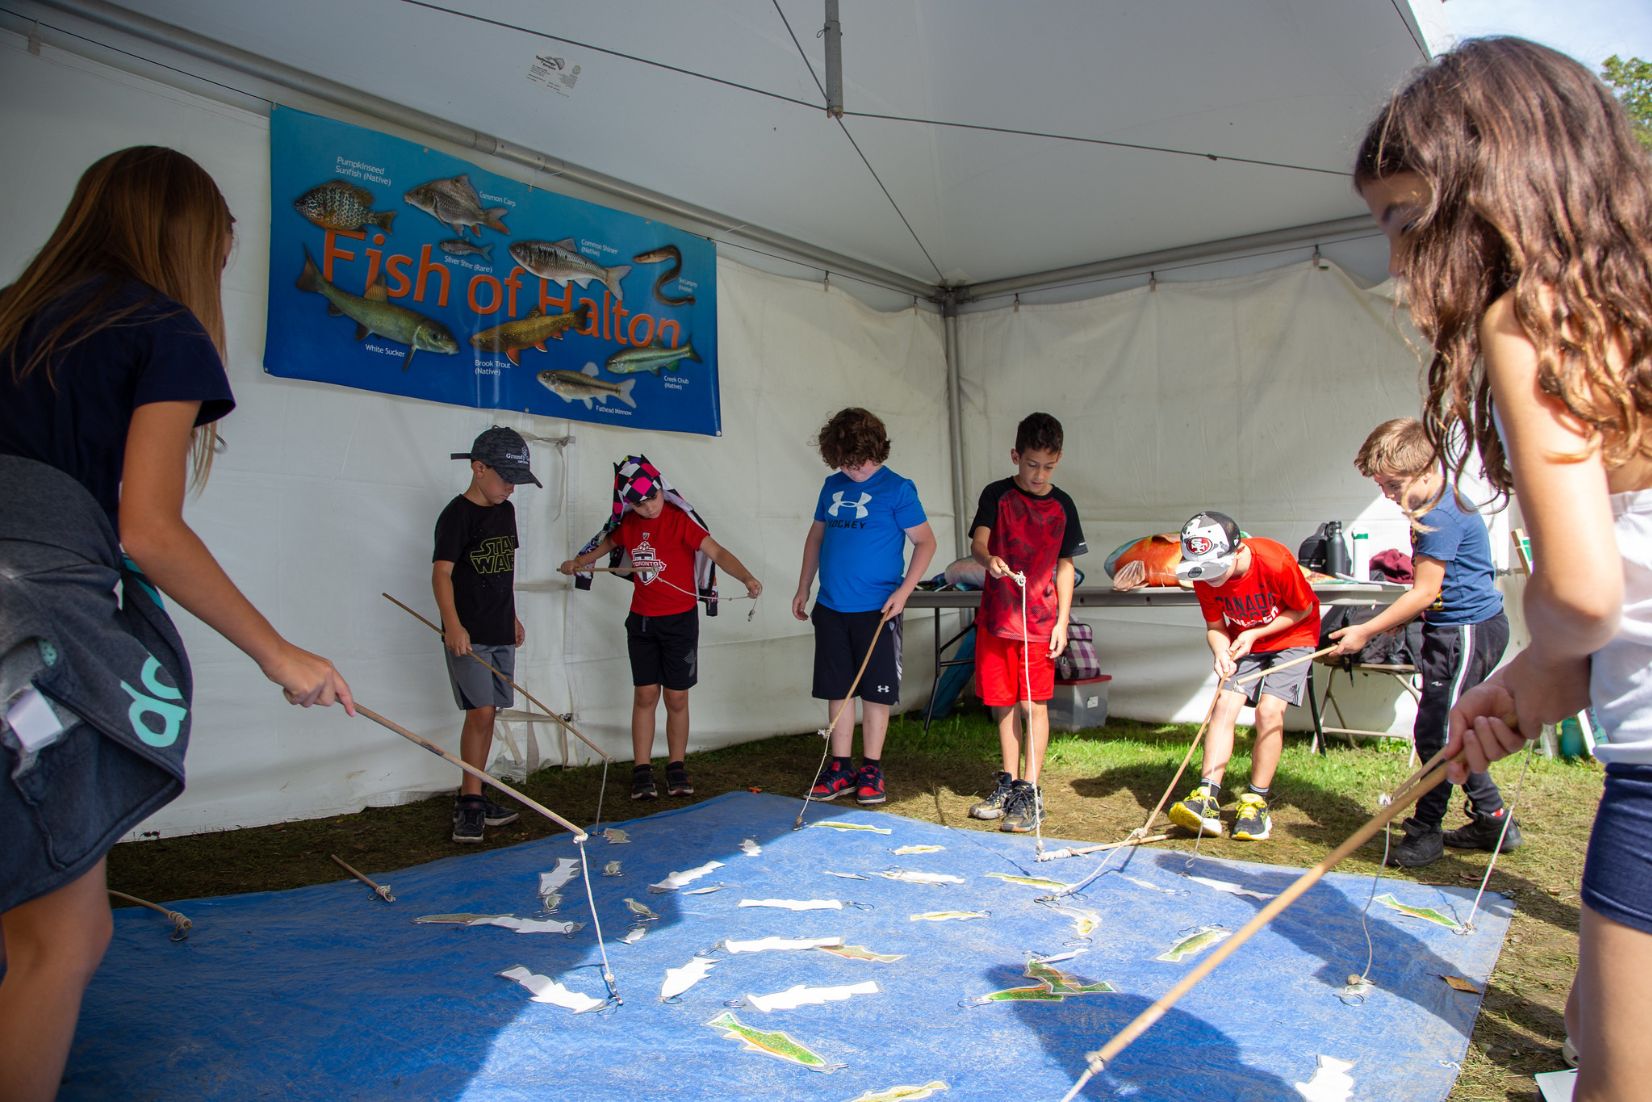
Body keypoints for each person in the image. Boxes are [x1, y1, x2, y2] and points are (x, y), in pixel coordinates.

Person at [0, 147, 354, 1102]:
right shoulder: (157, 327)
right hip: (28, 623)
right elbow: (149, 531)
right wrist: (283, 655)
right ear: (191, 241)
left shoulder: (11, 313)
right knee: (59, 941)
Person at [1355, 38, 1652, 1098]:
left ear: (1483, 198)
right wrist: (1533, 687)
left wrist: (1526, 674)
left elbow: (1579, 593)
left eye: (1398, 219)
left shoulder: (1523, 322)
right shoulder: (1627, 320)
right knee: (1587, 1013)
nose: (1391, 262)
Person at [1333, 418, 1520, 866]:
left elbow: (1424, 591)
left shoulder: (1439, 513)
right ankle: (1494, 820)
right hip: (1447, 629)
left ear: (1426, 470)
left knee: (1435, 733)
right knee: (1447, 729)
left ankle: (1425, 832)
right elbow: (1429, 592)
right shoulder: (1428, 507)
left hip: (1468, 631)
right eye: (1381, 485)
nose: (1387, 495)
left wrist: (1365, 630)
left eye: (1393, 485)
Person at [558, 455, 762, 799]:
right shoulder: (630, 525)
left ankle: (676, 766)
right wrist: (578, 563)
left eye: (652, 498)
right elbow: (607, 543)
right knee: (646, 694)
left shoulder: (679, 521)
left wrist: (746, 577)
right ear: (629, 504)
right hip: (641, 622)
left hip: (680, 623)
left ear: (661, 490)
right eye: (638, 504)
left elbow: (717, 551)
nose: (649, 508)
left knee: (677, 697)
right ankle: (642, 769)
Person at [792, 407, 937, 805]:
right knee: (838, 688)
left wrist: (904, 591)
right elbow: (816, 538)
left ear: (878, 451)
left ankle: (871, 766)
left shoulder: (899, 489)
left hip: (878, 610)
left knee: (876, 692)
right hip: (832, 605)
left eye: (860, 463)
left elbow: (925, 542)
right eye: (845, 463)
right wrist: (804, 586)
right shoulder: (830, 486)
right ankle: (840, 766)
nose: (853, 470)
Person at [1163, 511, 1321, 842]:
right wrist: (1220, 651)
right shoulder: (1204, 574)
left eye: (1217, 569)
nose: (1213, 579)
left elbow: (1303, 609)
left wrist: (1257, 633)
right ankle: (1207, 796)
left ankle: (1256, 802)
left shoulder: (1274, 560)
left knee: (1268, 709)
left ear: (1236, 551)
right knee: (1224, 703)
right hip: (1242, 639)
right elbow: (1216, 627)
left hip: (1293, 636)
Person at [965, 412, 1086, 833]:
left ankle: (1030, 791)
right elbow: (979, 542)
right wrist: (989, 559)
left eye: (1048, 467)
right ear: (1016, 455)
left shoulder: (1063, 504)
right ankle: (1009, 781)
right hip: (998, 618)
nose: (1039, 475)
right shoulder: (997, 495)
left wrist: (1062, 622)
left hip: (1040, 622)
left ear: (1058, 460)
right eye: (1032, 464)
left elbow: (1065, 566)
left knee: (1034, 704)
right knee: (1002, 703)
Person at [433, 425, 538, 843]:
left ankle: (475, 790)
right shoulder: (456, 515)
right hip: (468, 632)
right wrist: (453, 624)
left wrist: (512, 616)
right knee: (478, 711)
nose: (511, 489)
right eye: (506, 479)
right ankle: (470, 801)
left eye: (515, 482)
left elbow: (503, 573)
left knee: (491, 711)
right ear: (478, 468)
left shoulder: (506, 512)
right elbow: (442, 575)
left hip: (499, 627)